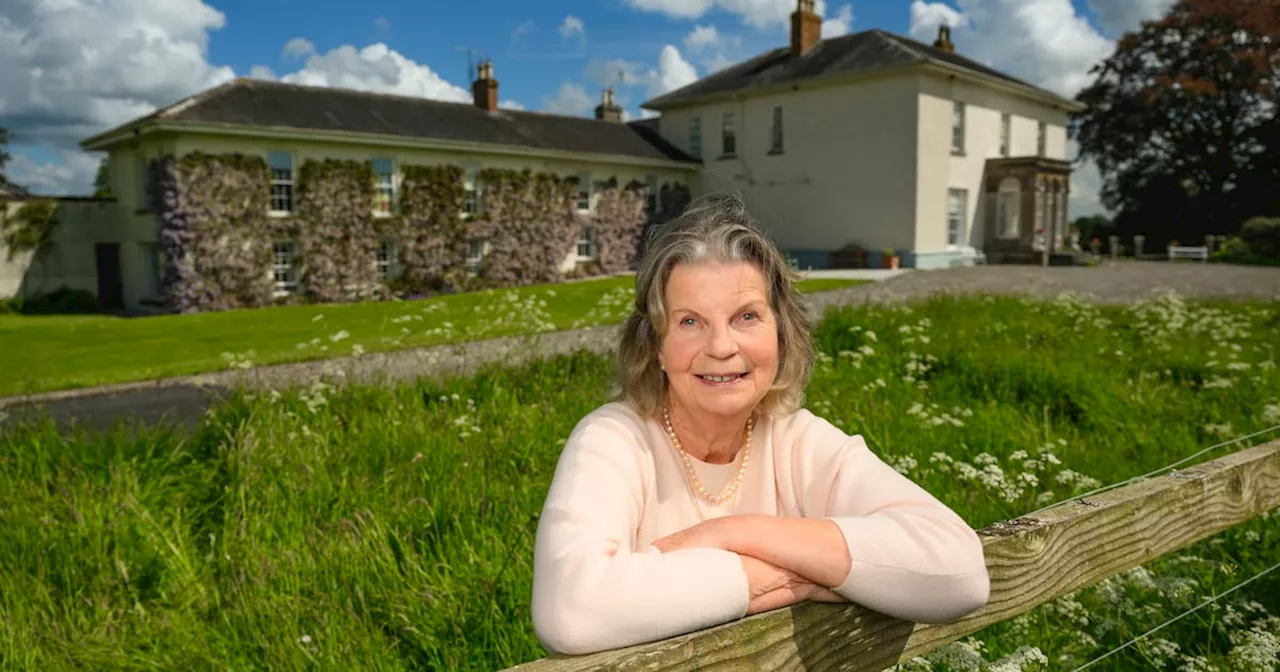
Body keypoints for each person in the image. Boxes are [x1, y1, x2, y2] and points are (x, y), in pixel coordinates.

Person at [530, 193, 990, 656]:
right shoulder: (613, 439)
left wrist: (733, 534)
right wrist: (764, 577)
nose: (722, 346)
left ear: (781, 332)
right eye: (690, 322)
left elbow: (959, 571)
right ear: (656, 346)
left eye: (746, 316)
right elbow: (570, 613)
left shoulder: (797, 439)